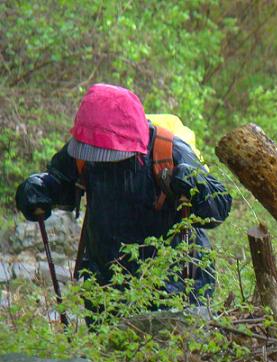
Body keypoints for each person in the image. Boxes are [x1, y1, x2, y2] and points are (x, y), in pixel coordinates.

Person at [15, 83, 232, 312]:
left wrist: (195, 183)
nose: (101, 158)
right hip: (106, 286)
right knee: (110, 347)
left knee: (170, 346)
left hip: (176, 286)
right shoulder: (84, 149)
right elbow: (61, 185)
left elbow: (219, 208)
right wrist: (39, 187)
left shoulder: (169, 151)